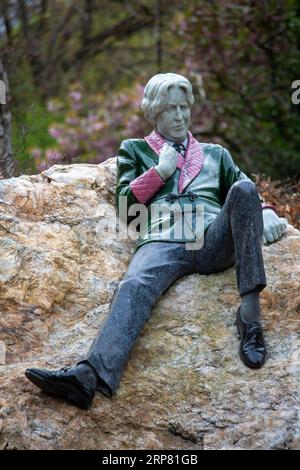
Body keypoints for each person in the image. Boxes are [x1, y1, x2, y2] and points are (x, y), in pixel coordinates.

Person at [25, 73, 288, 409]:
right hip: (163, 239)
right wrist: (160, 172)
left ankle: (250, 321)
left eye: (183, 108)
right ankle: (89, 376)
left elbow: (243, 189)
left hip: (211, 238)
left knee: (246, 190)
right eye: (170, 110)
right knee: (134, 283)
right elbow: (124, 207)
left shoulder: (216, 154)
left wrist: (264, 211)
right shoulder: (134, 150)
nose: (179, 116)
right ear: (154, 114)